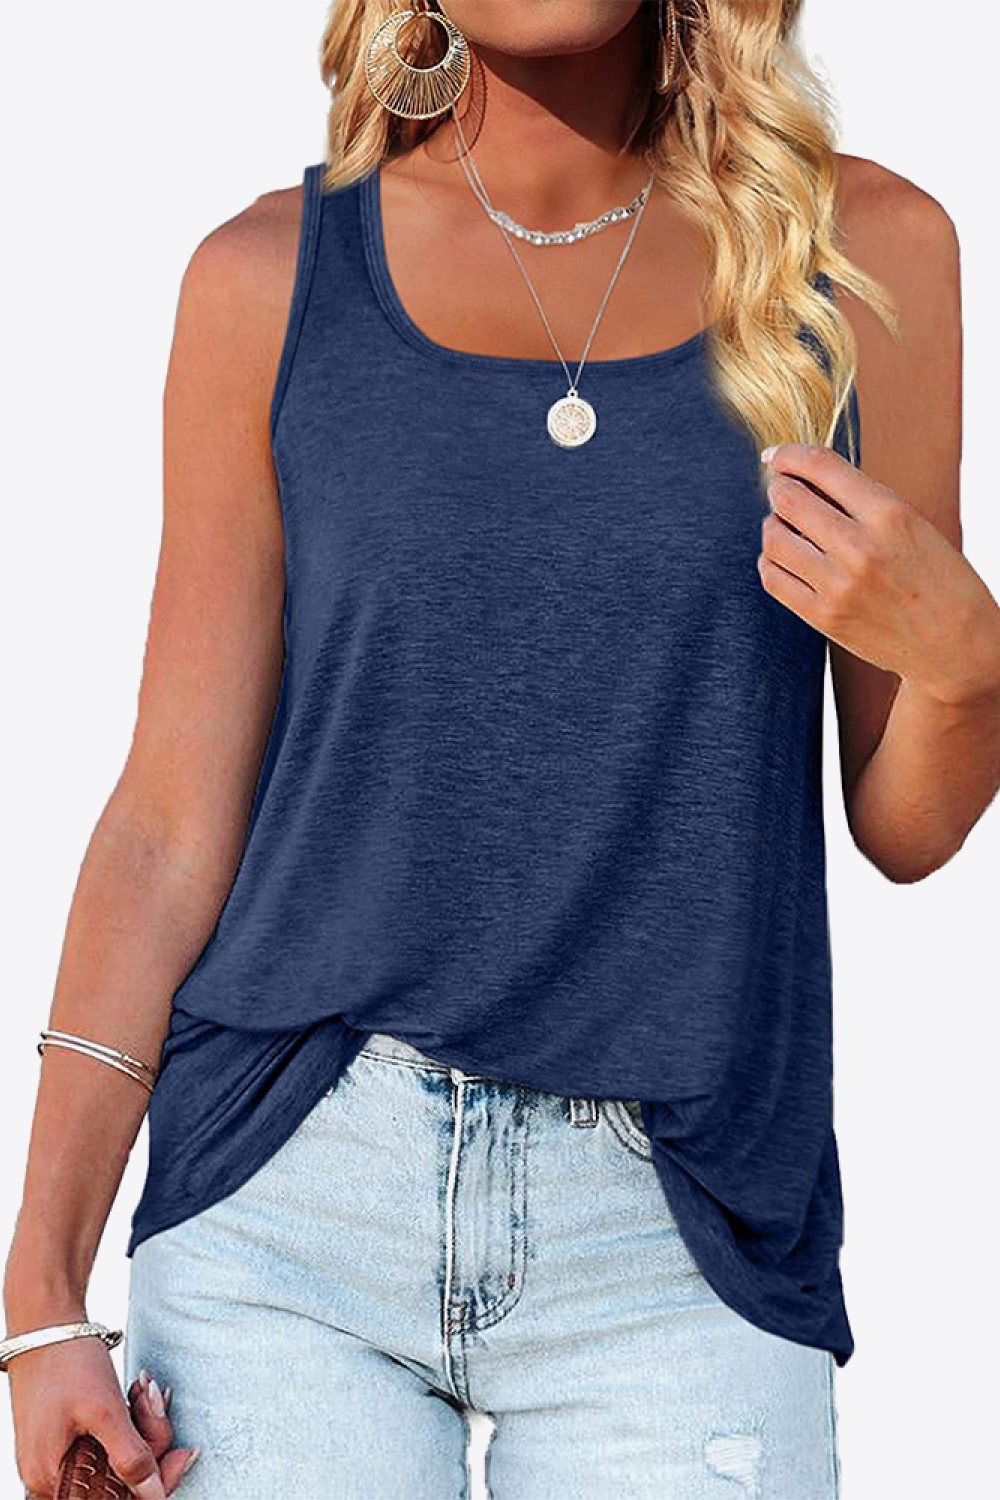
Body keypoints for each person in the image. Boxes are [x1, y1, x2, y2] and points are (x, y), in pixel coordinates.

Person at [4, 1, 999, 1496]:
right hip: (289, 1205)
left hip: (685, 1235)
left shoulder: (860, 258)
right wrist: (41, 1292)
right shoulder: (266, 281)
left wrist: (972, 667)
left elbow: (903, 826)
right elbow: (166, 824)